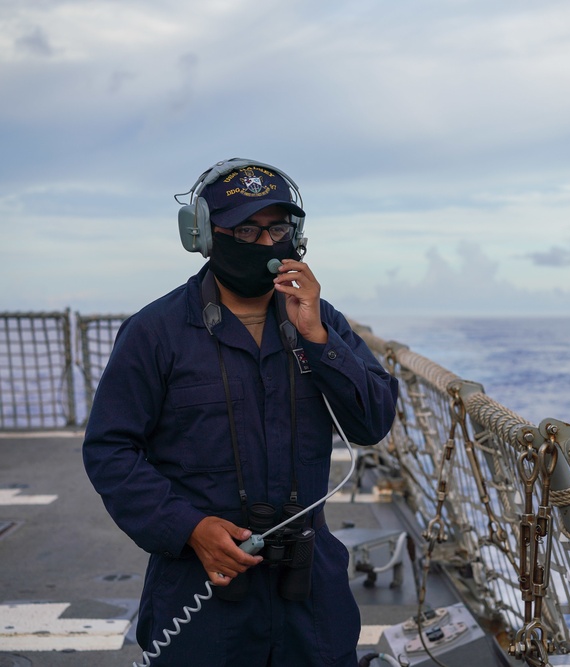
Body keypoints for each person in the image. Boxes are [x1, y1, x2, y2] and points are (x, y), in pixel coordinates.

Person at [82, 158, 398, 666]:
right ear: (205, 235)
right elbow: (110, 450)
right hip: (200, 589)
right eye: (246, 229)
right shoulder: (154, 332)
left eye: (278, 229)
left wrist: (318, 338)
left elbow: (373, 420)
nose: (266, 244)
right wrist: (187, 527)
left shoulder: (320, 320)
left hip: (309, 592)